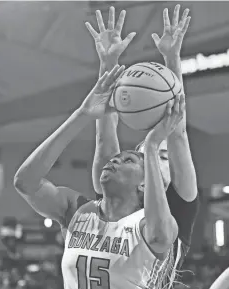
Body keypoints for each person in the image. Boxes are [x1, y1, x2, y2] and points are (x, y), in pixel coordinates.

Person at [88, 4, 199, 280]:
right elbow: (104, 135)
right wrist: (108, 62)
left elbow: (177, 133)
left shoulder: (179, 204)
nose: (162, 158)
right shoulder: (115, 195)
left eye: (166, 157)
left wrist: (172, 58)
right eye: (151, 155)